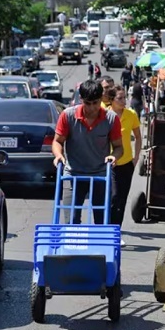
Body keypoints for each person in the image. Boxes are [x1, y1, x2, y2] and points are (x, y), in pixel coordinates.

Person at [52, 80, 124, 225]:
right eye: (88, 103)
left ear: (101, 99)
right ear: (81, 100)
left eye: (96, 103)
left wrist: (113, 156)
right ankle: (71, 246)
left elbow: (119, 147)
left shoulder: (111, 119)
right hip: (73, 173)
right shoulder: (68, 116)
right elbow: (57, 141)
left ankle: (98, 246)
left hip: (100, 175)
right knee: (71, 220)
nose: (92, 107)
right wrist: (59, 155)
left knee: (101, 220)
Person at [109, 86, 142, 234]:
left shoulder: (131, 114)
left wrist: (136, 158)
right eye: (120, 98)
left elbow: (139, 137)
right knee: (112, 198)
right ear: (112, 100)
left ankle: (116, 231)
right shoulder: (106, 115)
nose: (124, 101)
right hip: (110, 163)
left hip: (126, 162)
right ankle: (107, 229)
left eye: (124, 97)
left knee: (122, 199)